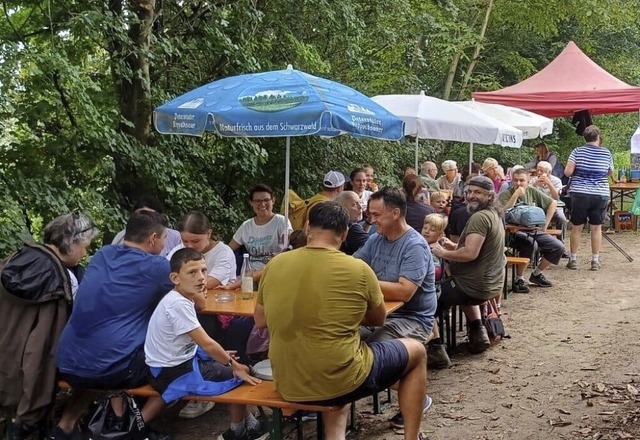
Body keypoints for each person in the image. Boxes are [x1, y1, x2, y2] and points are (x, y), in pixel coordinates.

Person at [255, 202, 429, 440]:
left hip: (287, 380)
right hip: (341, 380)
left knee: (338, 357)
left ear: (307, 227)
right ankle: (412, 437)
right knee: (417, 352)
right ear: (345, 233)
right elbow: (378, 319)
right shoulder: (358, 269)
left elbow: (260, 320)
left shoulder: (274, 264)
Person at [53, 211, 175, 440]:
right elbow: (192, 300)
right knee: (178, 366)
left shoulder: (102, 254)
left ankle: (64, 426)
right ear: (152, 239)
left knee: (100, 361)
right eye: (164, 237)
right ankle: (131, 429)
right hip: (115, 368)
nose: (165, 242)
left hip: (69, 363)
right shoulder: (158, 267)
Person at [145, 248, 268, 440]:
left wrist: (222, 358)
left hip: (169, 364)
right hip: (173, 371)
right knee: (243, 373)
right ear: (175, 278)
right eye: (192, 273)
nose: (201, 277)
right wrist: (232, 365)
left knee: (231, 360)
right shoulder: (178, 304)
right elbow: (207, 343)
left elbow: (201, 313)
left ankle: (249, 425)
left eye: (204, 270)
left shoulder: (179, 296)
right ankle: (239, 431)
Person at [0, 213, 97, 440]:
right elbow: (42, 352)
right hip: (25, 382)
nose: (85, 253)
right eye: (85, 246)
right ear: (72, 243)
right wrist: (32, 412)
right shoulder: (61, 281)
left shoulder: (13, 260)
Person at [354, 187, 436, 429]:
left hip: (413, 318)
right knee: (338, 341)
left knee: (374, 353)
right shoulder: (375, 239)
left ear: (396, 213)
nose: (371, 219)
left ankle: (416, 397)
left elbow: (405, 291)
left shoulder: (415, 246)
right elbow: (355, 266)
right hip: (379, 314)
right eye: (370, 214)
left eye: (377, 215)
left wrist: (366, 281)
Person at [165, 212, 237, 419]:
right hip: (189, 308)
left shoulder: (223, 252)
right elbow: (167, 277)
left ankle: (203, 390)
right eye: (185, 240)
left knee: (202, 328)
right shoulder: (180, 250)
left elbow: (208, 282)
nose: (189, 245)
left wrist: (184, 284)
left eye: (195, 240)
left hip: (218, 313)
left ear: (209, 233)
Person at [430, 176, 505, 354]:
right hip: (489, 285)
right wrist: (455, 246)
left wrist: (443, 253)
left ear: (489, 196)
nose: (471, 196)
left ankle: (436, 349)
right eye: (469, 191)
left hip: (472, 286)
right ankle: (479, 334)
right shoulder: (494, 215)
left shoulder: (479, 218)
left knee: (424, 301)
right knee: (456, 286)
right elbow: (480, 250)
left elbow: (470, 253)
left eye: (477, 192)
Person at [499, 168, 564, 291]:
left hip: (533, 230)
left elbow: (553, 203)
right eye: (515, 180)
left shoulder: (532, 191)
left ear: (528, 181)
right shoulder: (506, 194)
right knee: (530, 244)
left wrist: (544, 226)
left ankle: (537, 274)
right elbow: (501, 211)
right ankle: (519, 279)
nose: (518, 183)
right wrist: (516, 195)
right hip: (511, 232)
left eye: (522, 180)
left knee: (558, 247)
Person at [564, 125, 616, 271]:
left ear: (584, 138)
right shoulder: (606, 153)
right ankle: (595, 261)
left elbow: (567, 172)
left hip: (579, 193)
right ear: (598, 137)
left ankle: (573, 259)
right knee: (596, 228)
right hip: (600, 193)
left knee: (576, 227)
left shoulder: (577, 151)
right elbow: (609, 172)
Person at [226, 184, 292, 288]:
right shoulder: (246, 226)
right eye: (258, 201)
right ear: (251, 203)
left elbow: (288, 249)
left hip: (273, 273)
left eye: (266, 200)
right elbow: (228, 250)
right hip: (249, 277)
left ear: (273, 200)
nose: (262, 204)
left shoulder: (281, 222)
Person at [420, 214, 452, 369]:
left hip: (433, 291)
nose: (426, 231)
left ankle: (434, 346)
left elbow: (437, 272)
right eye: (425, 228)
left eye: (432, 230)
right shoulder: (428, 246)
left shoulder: (433, 249)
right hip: (434, 290)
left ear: (440, 234)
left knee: (422, 305)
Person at [112, 195, 182, 257]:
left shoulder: (175, 237)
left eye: (150, 215)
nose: (145, 219)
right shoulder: (122, 236)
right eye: (141, 215)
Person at [532, 161, 567, 242]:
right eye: (537, 170)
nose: (539, 173)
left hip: (555, 207)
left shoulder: (557, 181)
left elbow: (557, 197)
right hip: (538, 207)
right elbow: (529, 195)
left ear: (549, 172)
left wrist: (549, 184)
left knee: (562, 219)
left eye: (542, 171)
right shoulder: (534, 180)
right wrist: (536, 184)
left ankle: (561, 242)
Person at [334, 190, 369, 255]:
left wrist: (368, 223)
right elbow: (373, 247)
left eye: (360, 202)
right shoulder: (352, 228)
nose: (360, 207)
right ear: (342, 208)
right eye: (354, 205)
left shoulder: (336, 224)